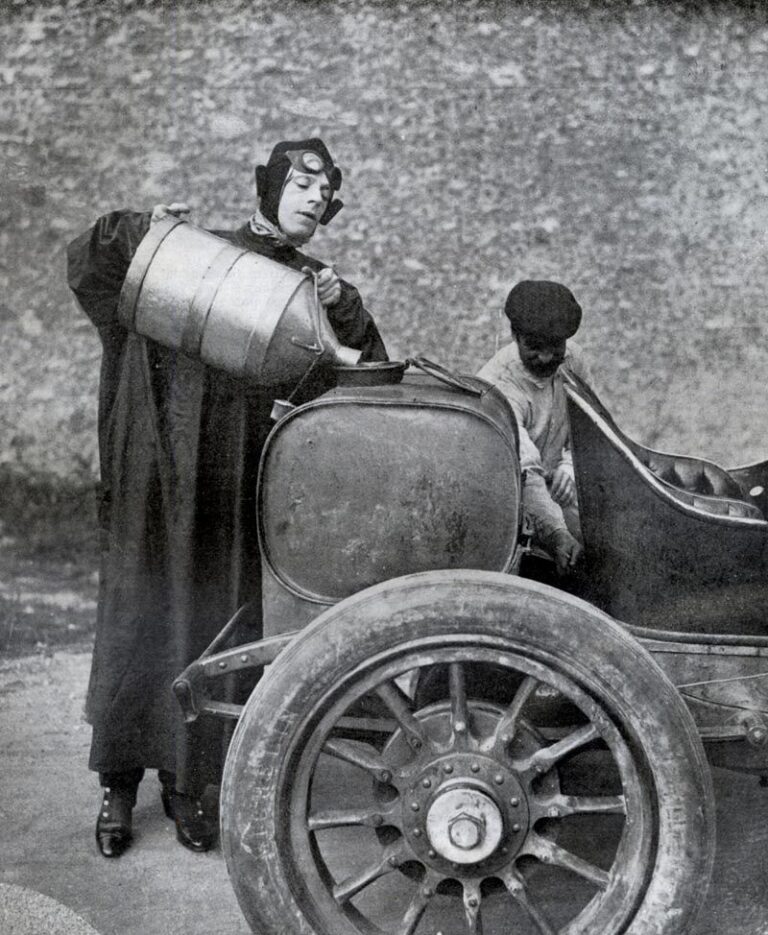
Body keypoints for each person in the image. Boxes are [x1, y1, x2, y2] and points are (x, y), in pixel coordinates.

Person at [67, 138, 388, 858]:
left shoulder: (317, 290)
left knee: (214, 626)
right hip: (156, 472)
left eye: (324, 189)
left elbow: (363, 376)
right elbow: (94, 266)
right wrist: (143, 228)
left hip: (233, 481)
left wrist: (352, 313)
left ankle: (189, 784)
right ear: (269, 188)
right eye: (300, 182)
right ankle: (117, 786)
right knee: (137, 616)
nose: (313, 196)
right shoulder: (200, 253)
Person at [477, 280, 590, 577]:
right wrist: (556, 535)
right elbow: (524, 474)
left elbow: (590, 426)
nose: (546, 358)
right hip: (511, 501)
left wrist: (570, 465)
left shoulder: (574, 359)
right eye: (534, 348)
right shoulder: (497, 387)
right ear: (515, 336)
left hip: (558, 489)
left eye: (556, 348)